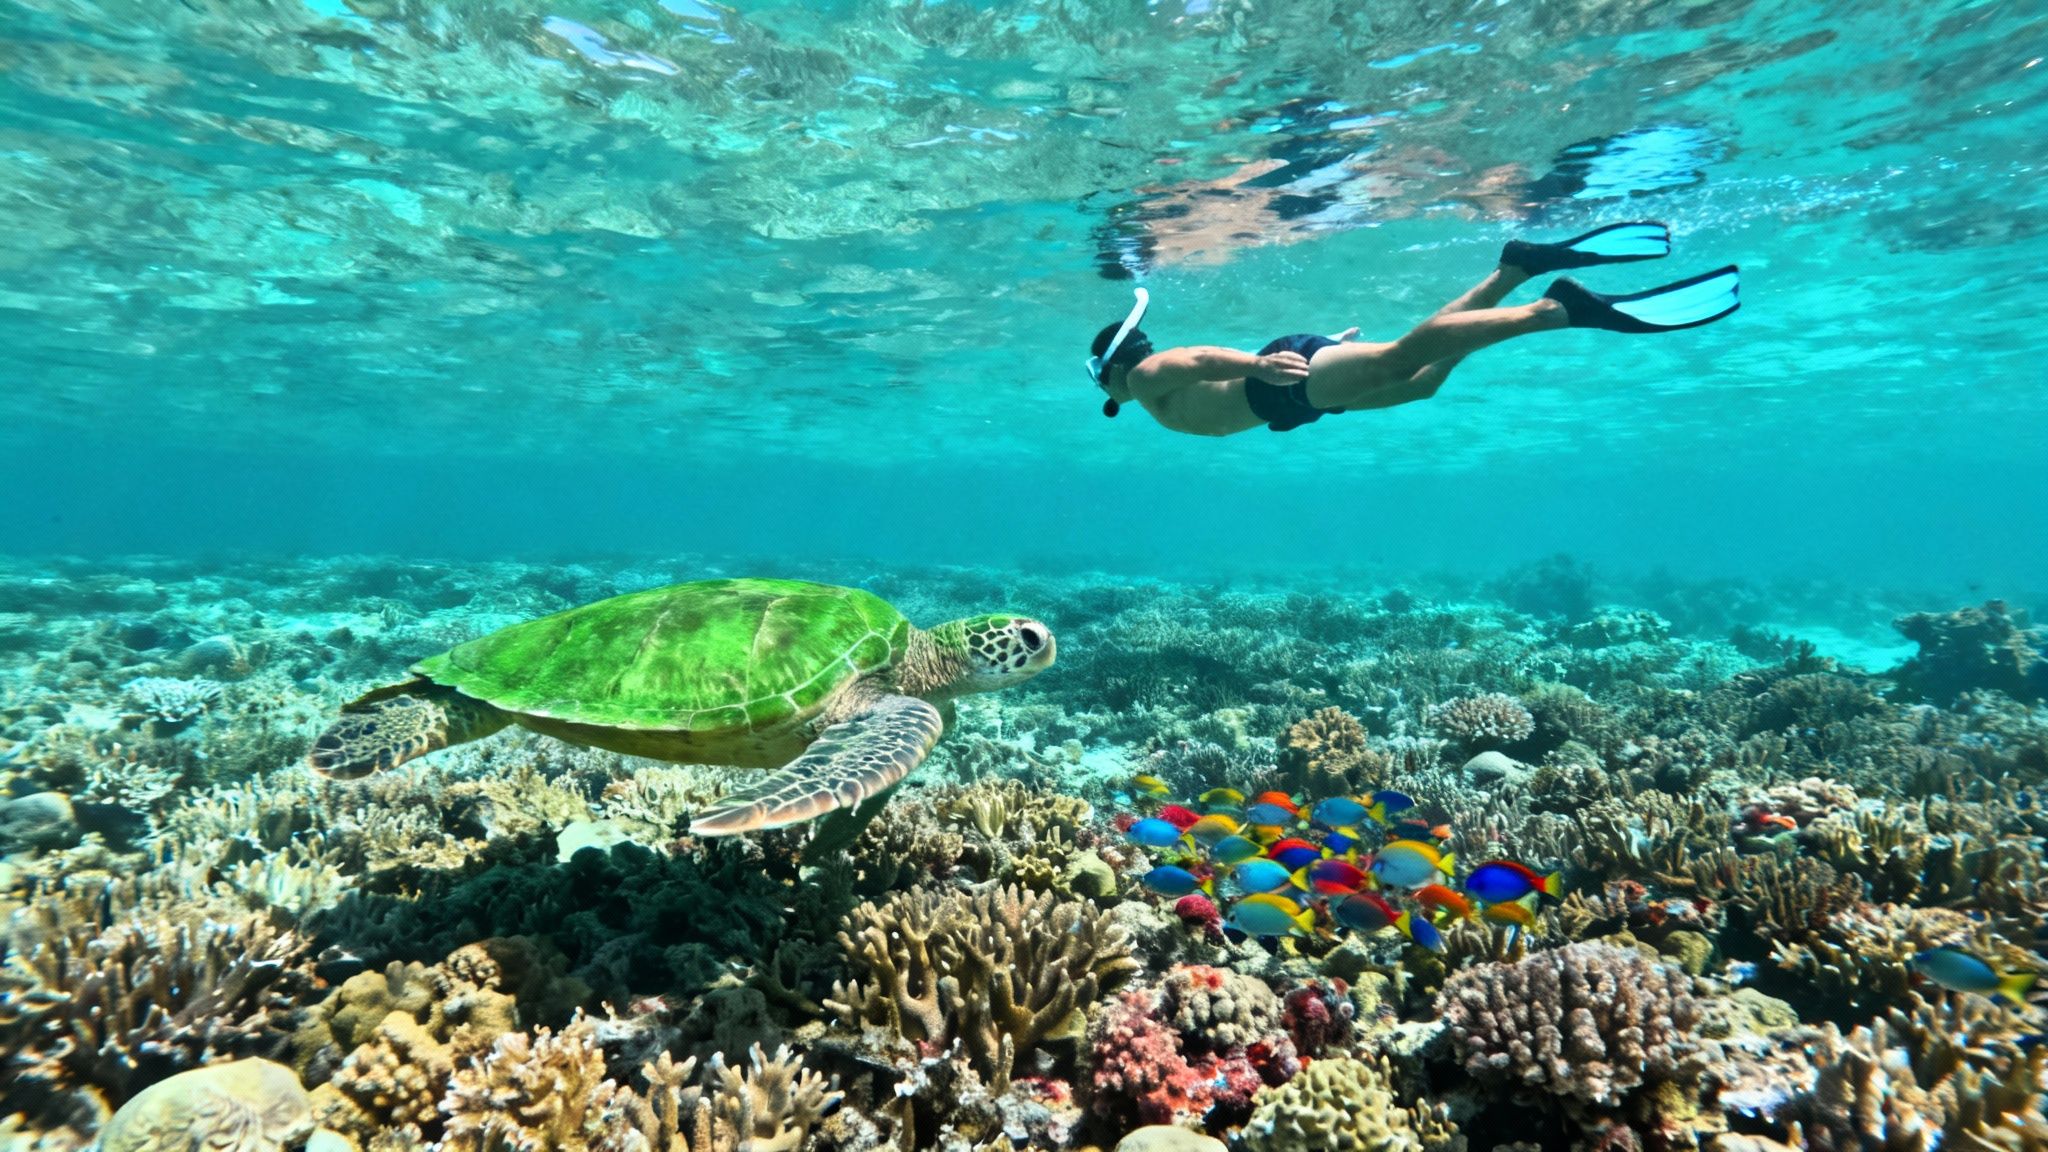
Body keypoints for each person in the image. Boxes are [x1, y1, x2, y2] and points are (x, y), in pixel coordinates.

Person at [1083, 222, 1738, 436]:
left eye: (1104, 382)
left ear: (1115, 367)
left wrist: (1257, 367)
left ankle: (1559, 309)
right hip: (1291, 399)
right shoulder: (1148, 395)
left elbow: (1196, 358)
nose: (1112, 391)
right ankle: (1512, 273)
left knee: (1400, 359)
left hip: (1279, 381)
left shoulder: (1143, 375)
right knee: (1421, 382)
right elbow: (1204, 370)